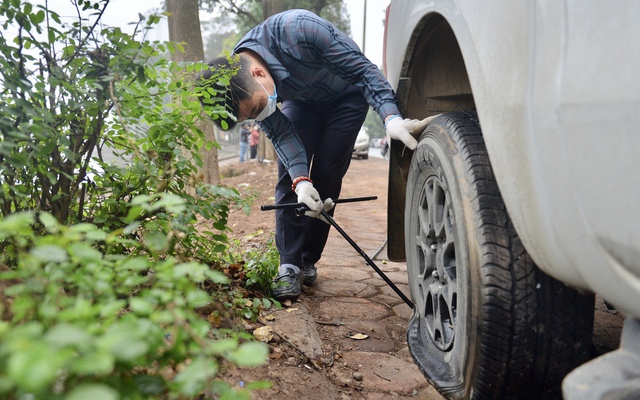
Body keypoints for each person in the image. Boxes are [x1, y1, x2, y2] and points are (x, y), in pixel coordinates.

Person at [199, 9, 432, 301]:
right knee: (291, 180)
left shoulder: (300, 31)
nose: (260, 115)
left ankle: (308, 259)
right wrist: (300, 180)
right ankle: (289, 265)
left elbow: (363, 71)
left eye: (257, 110)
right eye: (252, 116)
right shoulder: (246, 83)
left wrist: (390, 118)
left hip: (347, 95)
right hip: (303, 100)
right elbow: (283, 134)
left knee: (327, 173)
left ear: (258, 74)